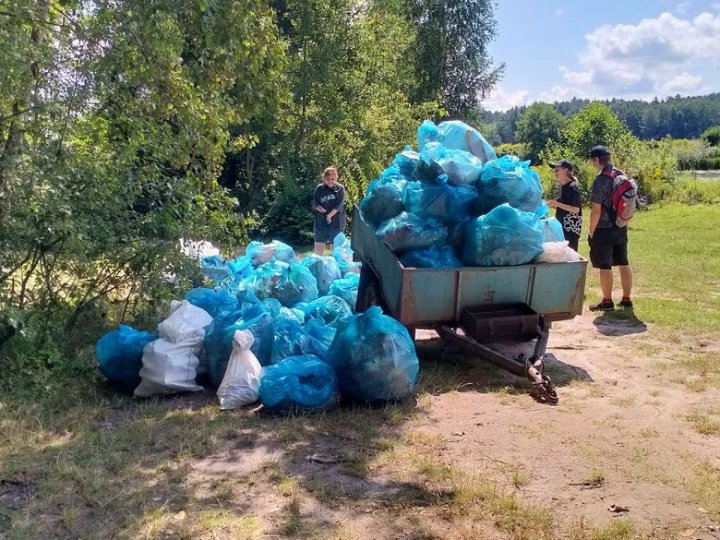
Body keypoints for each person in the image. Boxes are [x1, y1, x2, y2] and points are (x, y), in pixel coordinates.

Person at [587, 145, 633, 311]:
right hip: (620, 225)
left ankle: (607, 301)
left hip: (604, 229)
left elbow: (596, 210)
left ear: (597, 160)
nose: (592, 163)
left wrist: (591, 230)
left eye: (592, 160)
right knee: (623, 262)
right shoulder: (620, 174)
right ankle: (627, 299)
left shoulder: (600, 180)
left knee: (604, 265)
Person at [547, 159, 582, 251]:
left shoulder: (572, 187)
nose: (555, 172)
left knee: (570, 261)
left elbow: (576, 209)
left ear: (566, 170)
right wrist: (554, 205)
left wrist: (557, 203)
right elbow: (565, 205)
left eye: (557, 170)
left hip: (570, 231)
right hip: (563, 229)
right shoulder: (564, 186)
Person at [312, 166, 346, 255]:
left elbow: (340, 205)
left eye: (332, 179)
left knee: (336, 250)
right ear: (324, 178)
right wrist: (322, 210)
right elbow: (315, 203)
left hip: (336, 222)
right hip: (321, 221)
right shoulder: (319, 188)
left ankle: (338, 267)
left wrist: (329, 216)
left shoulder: (340, 188)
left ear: (336, 177)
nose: (330, 181)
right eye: (328, 179)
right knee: (318, 250)